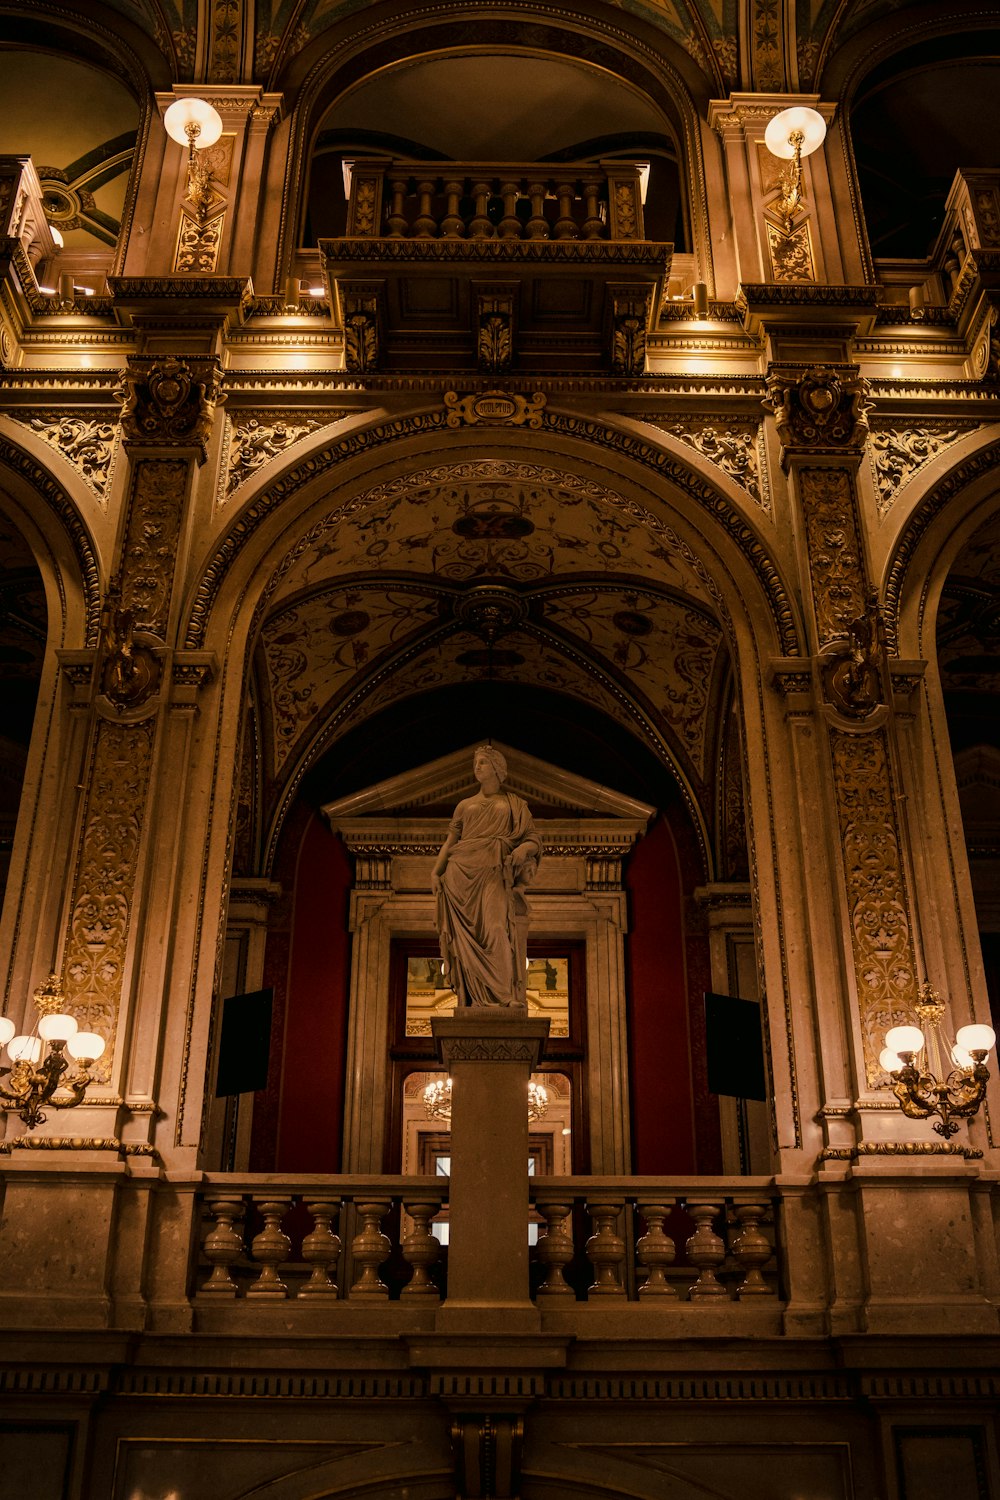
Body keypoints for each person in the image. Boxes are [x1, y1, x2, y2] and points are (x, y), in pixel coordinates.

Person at [431, 745, 541, 1007]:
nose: (476, 767)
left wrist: (523, 849)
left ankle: (503, 997)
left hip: (493, 872)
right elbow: (450, 842)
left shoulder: (514, 805)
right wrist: (436, 872)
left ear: (496, 768)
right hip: (460, 874)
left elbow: (533, 840)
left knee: (495, 929)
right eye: (476, 763)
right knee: (464, 939)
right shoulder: (464, 805)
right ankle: (474, 999)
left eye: (482, 763)